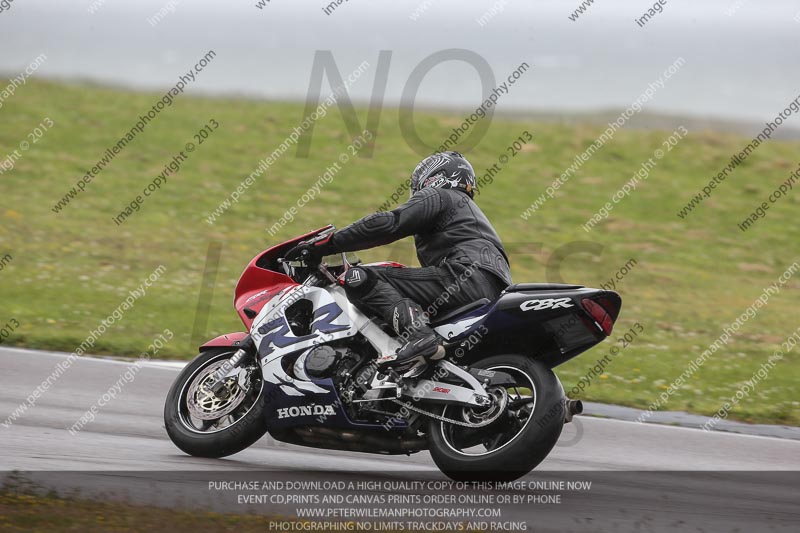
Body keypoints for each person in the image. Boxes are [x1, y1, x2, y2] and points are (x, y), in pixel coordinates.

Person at [285, 151, 512, 371]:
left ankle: (421, 337)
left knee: (358, 277)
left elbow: (389, 224)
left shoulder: (442, 196)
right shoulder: (467, 214)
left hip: (463, 277)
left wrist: (326, 244)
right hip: (490, 290)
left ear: (434, 176)